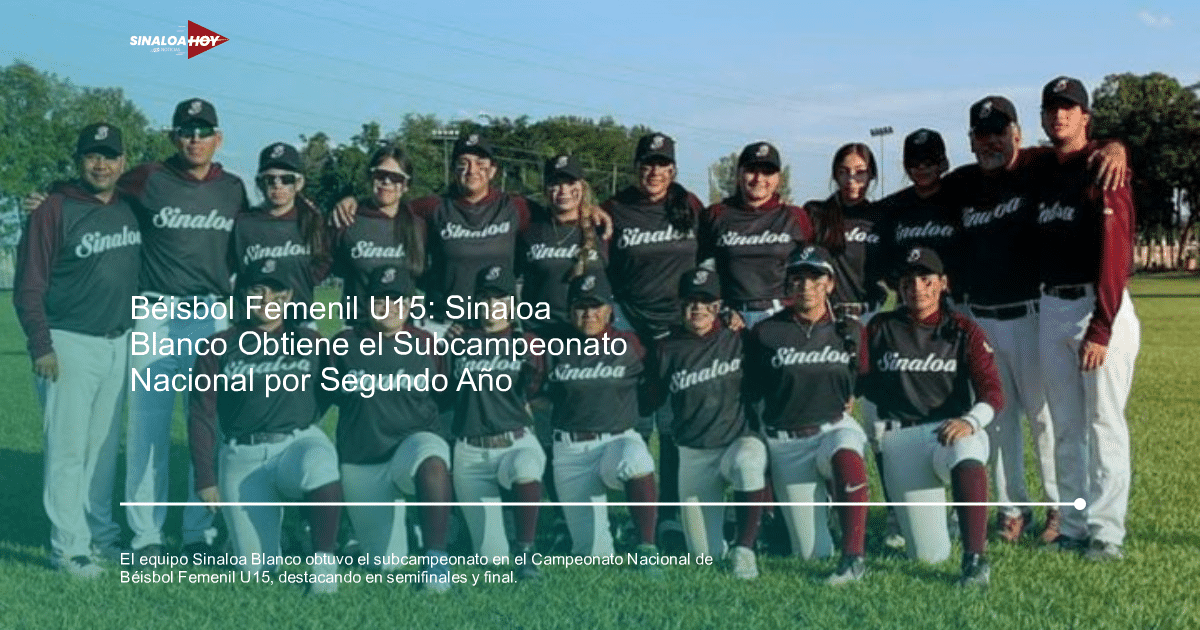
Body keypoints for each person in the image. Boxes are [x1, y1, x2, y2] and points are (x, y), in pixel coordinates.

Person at [122, 98, 249, 561]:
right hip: (155, 315)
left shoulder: (233, 188)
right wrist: (54, 191)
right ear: (174, 136)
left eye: (204, 130)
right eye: (186, 130)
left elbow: (248, 247)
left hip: (212, 317)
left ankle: (199, 532)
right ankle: (147, 535)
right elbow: (96, 193)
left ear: (219, 138)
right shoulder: (147, 178)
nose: (195, 139)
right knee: (147, 429)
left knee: (207, 425)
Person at [14, 123, 141, 578]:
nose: (101, 164)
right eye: (92, 156)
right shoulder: (53, 208)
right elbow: (28, 284)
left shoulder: (130, 207)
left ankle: (100, 537)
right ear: (78, 161)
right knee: (67, 451)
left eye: (109, 156)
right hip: (67, 343)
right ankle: (68, 549)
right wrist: (40, 344)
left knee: (104, 450)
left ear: (123, 162)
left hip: (118, 342)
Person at [187, 258, 343, 594]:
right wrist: (205, 477)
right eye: (257, 291)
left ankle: (324, 564)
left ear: (289, 296)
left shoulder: (311, 341)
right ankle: (256, 537)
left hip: (294, 445)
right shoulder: (218, 346)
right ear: (243, 295)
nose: (267, 300)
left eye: (276, 292)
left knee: (320, 461)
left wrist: (305, 415)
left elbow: (335, 391)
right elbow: (201, 415)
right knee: (256, 571)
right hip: (241, 457)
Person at [1031, 76, 1139, 561]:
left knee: (1103, 425)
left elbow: (1117, 257)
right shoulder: (1042, 168)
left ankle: (1106, 532)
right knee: (1066, 426)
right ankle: (1073, 524)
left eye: (1070, 108)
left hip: (1097, 310)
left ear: (1085, 117)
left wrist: (1101, 327)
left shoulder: (1103, 166)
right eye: (1053, 108)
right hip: (1052, 307)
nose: (1060, 116)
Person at [947, 96, 1058, 543]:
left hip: (1031, 314)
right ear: (972, 140)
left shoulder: (1037, 166)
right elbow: (910, 201)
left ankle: (1058, 509)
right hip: (983, 318)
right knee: (998, 420)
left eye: (999, 131)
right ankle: (1013, 510)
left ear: (1017, 132)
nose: (991, 141)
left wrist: (1114, 148)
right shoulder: (962, 183)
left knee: (1044, 419)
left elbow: (1082, 148)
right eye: (982, 133)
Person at [859, 247, 1003, 587]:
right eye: (909, 282)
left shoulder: (962, 328)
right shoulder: (881, 327)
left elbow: (993, 392)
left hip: (947, 432)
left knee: (967, 448)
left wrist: (971, 421)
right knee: (928, 555)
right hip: (902, 440)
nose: (918, 289)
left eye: (926, 280)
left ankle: (975, 558)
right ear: (899, 288)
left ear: (943, 283)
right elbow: (859, 380)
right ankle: (936, 530)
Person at [601, 132, 705, 550]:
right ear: (635, 167)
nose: (654, 172)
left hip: (679, 330)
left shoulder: (689, 206)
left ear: (674, 169)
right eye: (647, 163)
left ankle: (670, 518)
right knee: (637, 426)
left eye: (663, 164)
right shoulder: (616, 208)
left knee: (675, 426)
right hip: (633, 327)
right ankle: (637, 517)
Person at [745, 246, 871, 584]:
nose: (806, 286)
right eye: (797, 279)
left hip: (833, 427)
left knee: (847, 450)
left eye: (815, 278)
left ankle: (854, 557)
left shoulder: (849, 330)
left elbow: (865, 377)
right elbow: (752, 390)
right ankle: (824, 518)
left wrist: (850, 397)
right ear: (788, 286)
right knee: (812, 552)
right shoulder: (767, 332)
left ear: (829, 283)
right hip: (786, 442)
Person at [329, 265, 456, 592]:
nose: (388, 307)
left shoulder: (427, 342)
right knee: (385, 564)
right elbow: (322, 397)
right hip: (363, 458)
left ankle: (436, 557)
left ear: (411, 304)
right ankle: (405, 532)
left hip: (412, 445)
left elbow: (444, 398)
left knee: (432, 460)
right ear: (366, 302)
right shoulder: (344, 344)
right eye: (379, 299)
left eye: (396, 299)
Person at [648, 268, 768, 578]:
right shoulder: (666, 347)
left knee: (749, 463)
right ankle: (724, 545)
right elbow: (647, 399)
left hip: (736, 441)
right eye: (691, 301)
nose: (698, 308)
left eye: (706, 301)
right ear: (680, 305)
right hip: (693, 453)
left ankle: (745, 548)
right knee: (704, 556)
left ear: (719, 305)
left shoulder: (738, 337)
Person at [539, 272, 661, 571]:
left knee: (637, 461)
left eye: (596, 306)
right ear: (570, 312)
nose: (589, 314)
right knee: (591, 556)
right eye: (581, 307)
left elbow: (652, 389)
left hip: (616, 441)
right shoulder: (554, 346)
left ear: (609, 310)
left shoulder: (630, 344)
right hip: (570, 452)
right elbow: (537, 393)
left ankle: (647, 547)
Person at [449, 265, 545, 579]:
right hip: (470, 451)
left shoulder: (527, 341)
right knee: (491, 559)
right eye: (485, 298)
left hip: (515, 442)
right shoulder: (458, 339)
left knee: (526, 468)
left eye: (500, 298)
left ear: (512, 302)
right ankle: (494, 537)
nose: (492, 306)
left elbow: (543, 394)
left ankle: (526, 549)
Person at [700, 141, 814, 328]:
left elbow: (811, 270)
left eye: (768, 172)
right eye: (751, 170)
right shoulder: (717, 214)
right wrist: (721, 309)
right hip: (731, 317)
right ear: (739, 174)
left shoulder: (795, 216)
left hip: (782, 315)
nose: (759, 179)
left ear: (778, 178)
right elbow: (703, 270)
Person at [232, 142, 331, 319]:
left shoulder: (312, 222)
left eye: (286, 179)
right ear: (260, 183)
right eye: (270, 179)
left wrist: (302, 284)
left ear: (299, 183)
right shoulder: (243, 223)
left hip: (298, 321)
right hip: (251, 323)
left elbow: (324, 263)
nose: (278, 185)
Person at [330, 144, 425, 325]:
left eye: (396, 178)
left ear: (406, 185)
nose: (387, 182)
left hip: (403, 332)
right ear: (370, 176)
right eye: (380, 175)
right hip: (358, 330)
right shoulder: (347, 219)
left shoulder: (418, 226)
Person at [517, 154, 608, 336]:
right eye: (555, 184)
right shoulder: (530, 229)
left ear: (582, 187)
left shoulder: (601, 228)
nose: (563, 191)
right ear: (545, 189)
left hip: (590, 334)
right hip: (540, 333)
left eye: (570, 183)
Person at [804, 143, 887, 321]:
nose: (851, 179)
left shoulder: (881, 217)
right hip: (825, 315)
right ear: (835, 175)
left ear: (871, 174)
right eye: (843, 172)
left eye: (860, 172)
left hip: (870, 315)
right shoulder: (816, 213)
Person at [875, 129, 961, 291]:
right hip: (910, 300)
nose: (922, 168)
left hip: (954, 300)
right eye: (914, 163)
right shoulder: (892, 207)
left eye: (929, 162)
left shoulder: (960, 199)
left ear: (943, 163)